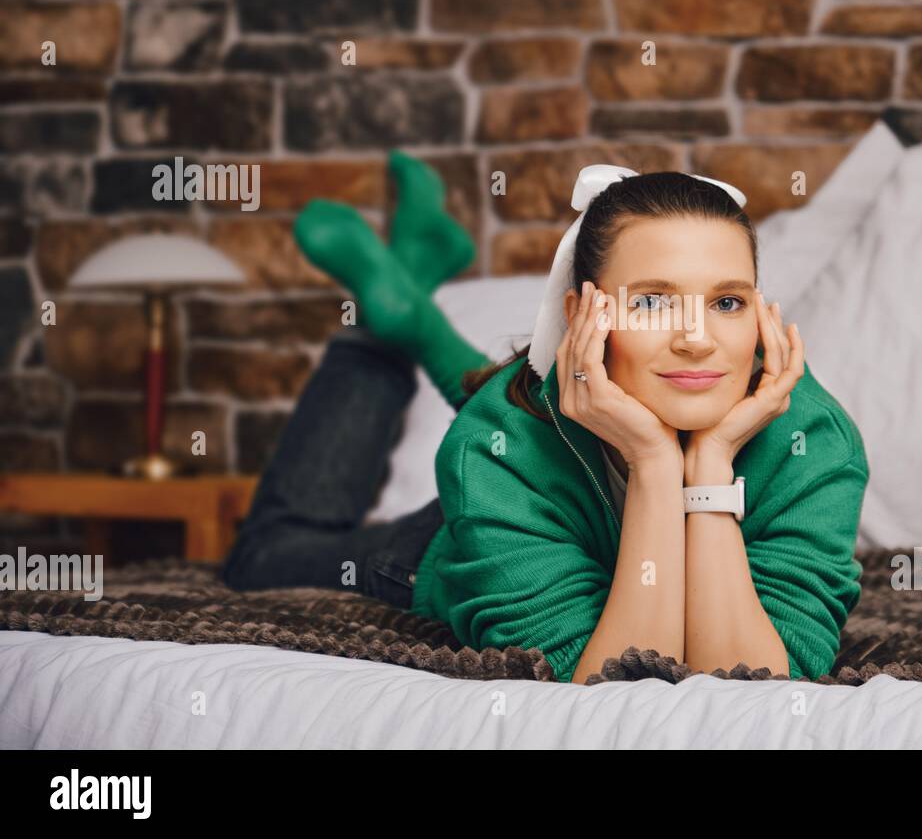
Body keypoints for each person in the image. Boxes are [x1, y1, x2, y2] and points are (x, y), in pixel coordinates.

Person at [221, 154, 869, 684]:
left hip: (545, 440)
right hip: (454, 544)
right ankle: (381, 328)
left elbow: (753, 684)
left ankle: (409, 294)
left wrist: (708, 466)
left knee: (527, 412)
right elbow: (618, 687)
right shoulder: (490, 455)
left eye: (727, 301)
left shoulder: (812, 440)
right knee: (264, 555)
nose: (698, 340)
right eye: (651, 302)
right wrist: (652, 463)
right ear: (580, 315)